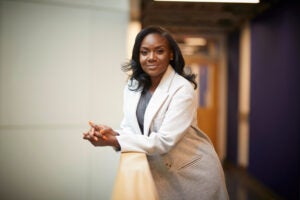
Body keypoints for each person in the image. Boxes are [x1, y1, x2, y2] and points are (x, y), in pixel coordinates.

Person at [83, 26, 229, 200]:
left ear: (171, 54)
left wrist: (115, 141)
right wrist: (112, 135)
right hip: (162, 172)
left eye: (159, 51)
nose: (151, 57)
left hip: (193, 173)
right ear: (138, 56)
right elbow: (132, 129)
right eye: (144, 52)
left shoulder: (182, 89)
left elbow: (164, 141)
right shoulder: (132, 86)